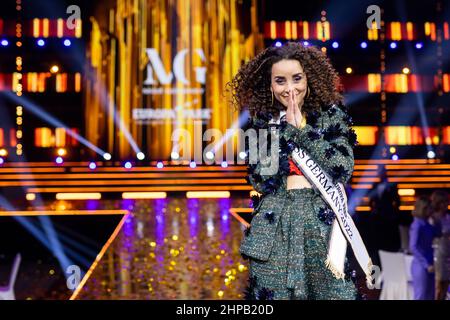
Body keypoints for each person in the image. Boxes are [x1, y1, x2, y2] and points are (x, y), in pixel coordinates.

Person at [228, 42, 360, 299]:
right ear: (270, 85)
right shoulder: (262, 123)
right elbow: (259, 179)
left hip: (320, 224)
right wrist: (280, 132)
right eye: (280, 81)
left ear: (309, 79)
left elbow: (343, 167)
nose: (290, 88)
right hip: (274, 226)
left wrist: (301, 129)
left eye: (297, 79)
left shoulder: (331, 116)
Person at [409, 195, 440, 300]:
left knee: (430, 296)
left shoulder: (426, 223)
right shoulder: (417, 224)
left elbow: (438, 233)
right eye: (430, 208)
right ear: (424, 208)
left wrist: (435, 219)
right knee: (421, 296)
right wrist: (426, 264)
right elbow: (413, 246)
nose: (432, 210)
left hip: (430, 263)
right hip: (421, 265)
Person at [430, 190, 449, 300]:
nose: (446, 204)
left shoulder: (448, 218)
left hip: (447, 253)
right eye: (444, 202)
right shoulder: (432, 218)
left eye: (447, 201)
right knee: (438, 287)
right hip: (437, 255)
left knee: (445, 286)